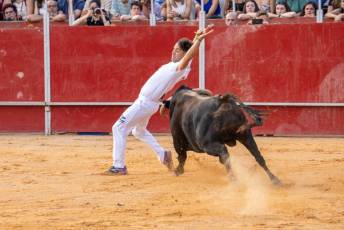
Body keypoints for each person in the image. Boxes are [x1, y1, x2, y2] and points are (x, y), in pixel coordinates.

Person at [108, 25, 214, 175]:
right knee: (138, 131)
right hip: (148, 103)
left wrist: (198, 41)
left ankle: (119, 166)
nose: (173, 52)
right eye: (173, 49)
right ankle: (163, 154)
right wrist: (196, 38)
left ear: (184, 54)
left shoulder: (179, 67)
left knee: (118, 127)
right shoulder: (175, 65)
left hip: (144, 103)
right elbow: (189, 55)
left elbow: (188, 57)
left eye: (177, 50)